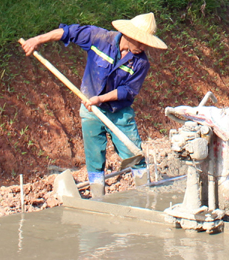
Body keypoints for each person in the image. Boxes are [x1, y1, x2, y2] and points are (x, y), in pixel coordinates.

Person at [22, 12, 167, 198]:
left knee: (134, 156)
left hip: (119, 113)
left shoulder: (141, 63)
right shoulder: (100, 38)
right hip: (92, 112)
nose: (143, 47)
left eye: (146, 43)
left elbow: (127, 91)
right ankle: (98, 200)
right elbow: (68, 32)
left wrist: (100, 99)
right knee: (94, 160)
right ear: (129, 35)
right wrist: (37, 40)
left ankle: (146, 199)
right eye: (140, 42)